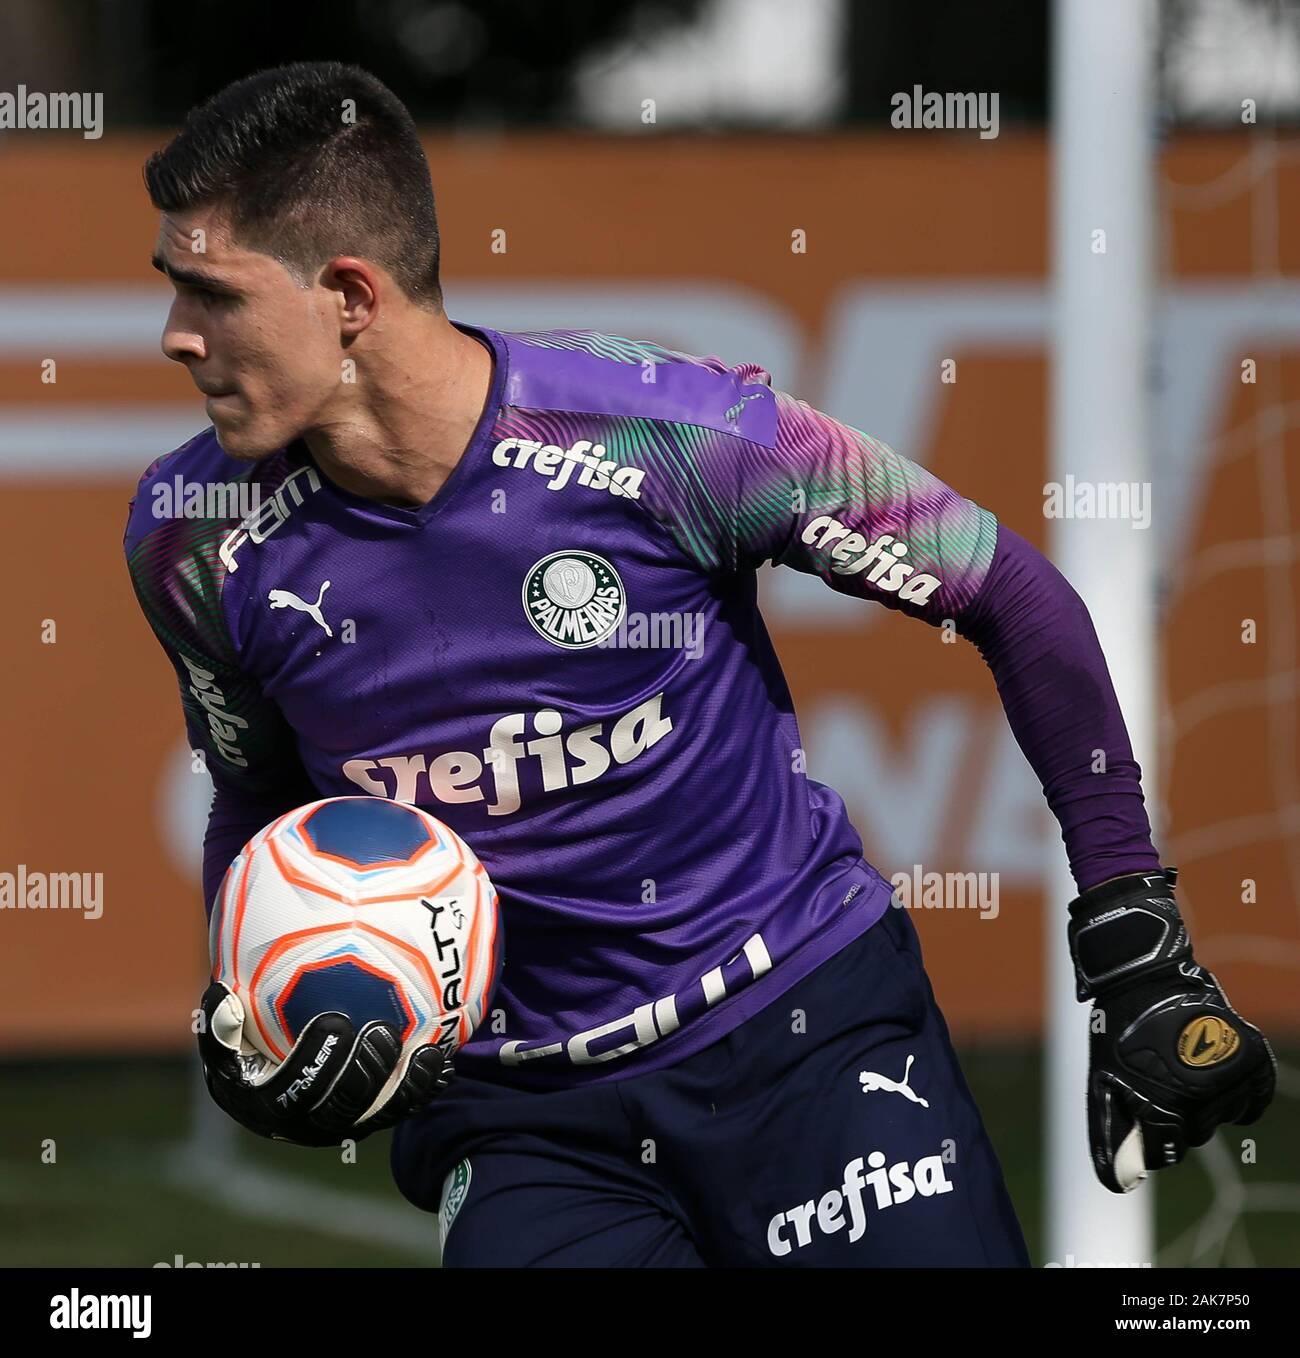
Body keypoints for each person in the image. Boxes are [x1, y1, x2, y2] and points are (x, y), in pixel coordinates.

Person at [125, 61, 1275, 1267]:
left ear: (348, 294)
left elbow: (1011, 594)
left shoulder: (674, 440)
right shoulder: (192, 540)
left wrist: (1132, 933)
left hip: (809, 1035)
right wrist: (253, 987)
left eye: (210, 292)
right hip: (523, 1120)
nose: (175, 335)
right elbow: (255, 798)